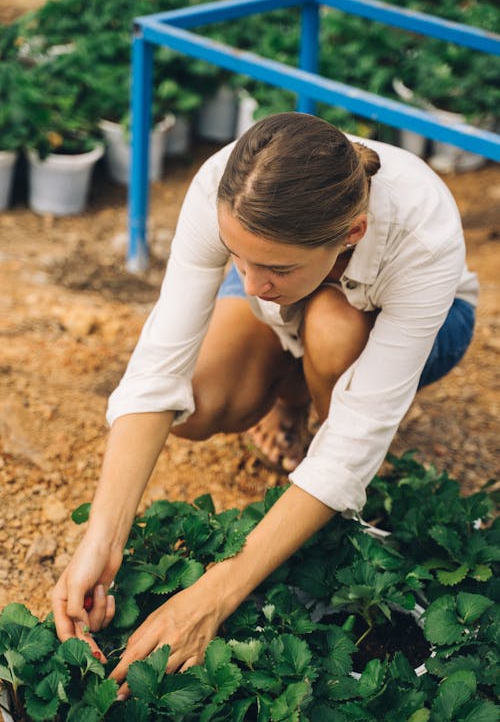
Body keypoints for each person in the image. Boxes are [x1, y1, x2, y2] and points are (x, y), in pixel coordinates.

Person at [52, 112, 478, 697]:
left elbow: (351, 448)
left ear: (351, 234)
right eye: (235, 255)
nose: (249, 285)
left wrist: (213, 596)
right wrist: (101, 538)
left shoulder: (421, 233)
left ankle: (313, 398)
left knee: (331, 327)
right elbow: (158, 373)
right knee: (201, 405)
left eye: (271, 267)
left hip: (410, 315)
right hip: (301, 285)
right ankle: (291, 381)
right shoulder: (224, 188)